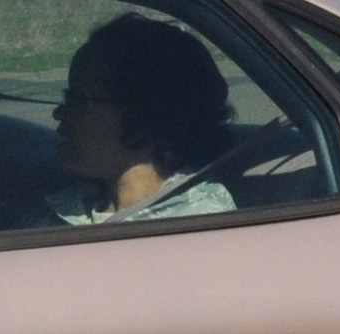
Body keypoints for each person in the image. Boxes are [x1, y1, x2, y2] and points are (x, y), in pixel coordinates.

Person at [48, 13, 239, 226]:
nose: (59, 113)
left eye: (76, 99)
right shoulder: (68, 204)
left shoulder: (197, 228)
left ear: (141, 115)